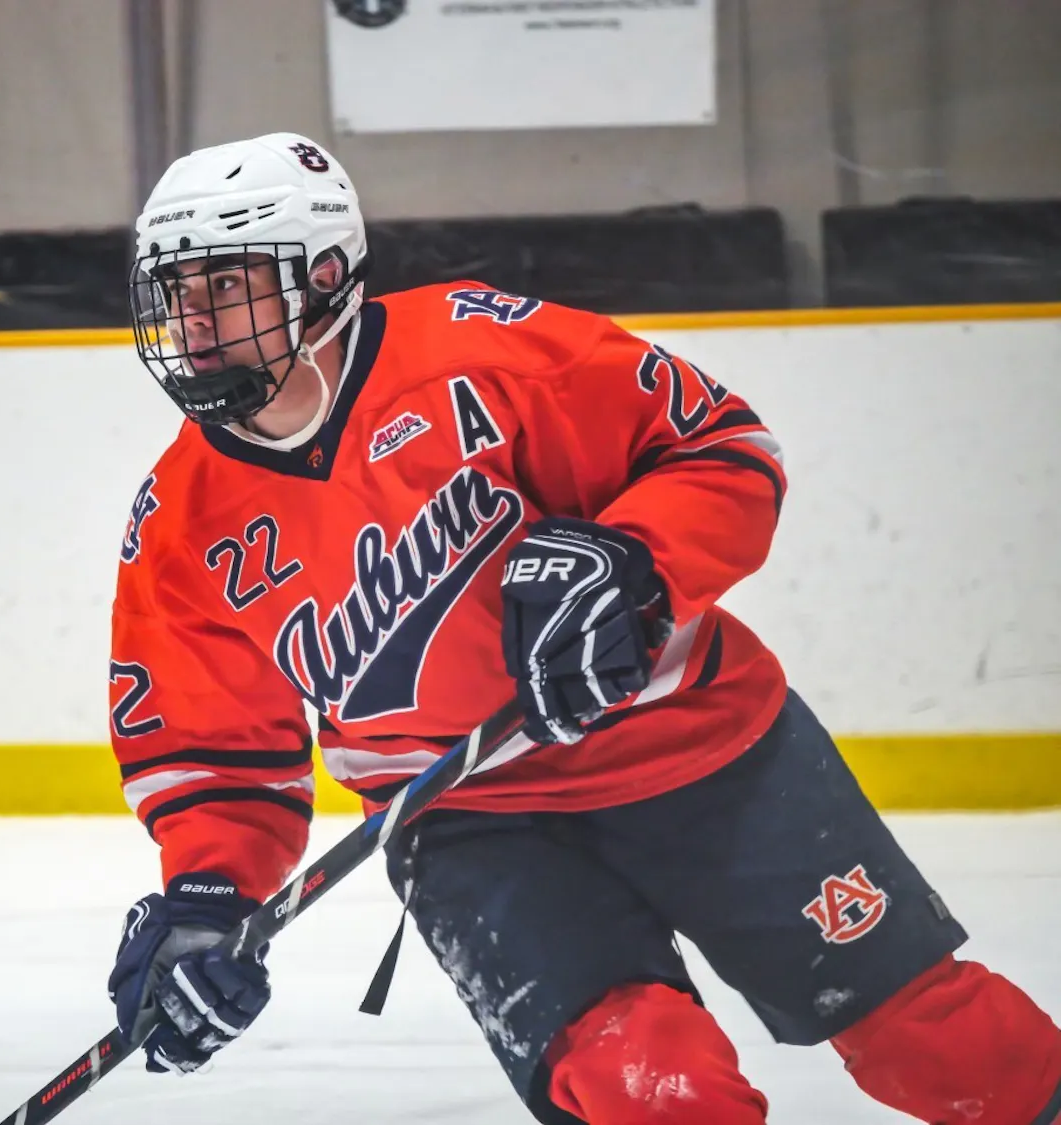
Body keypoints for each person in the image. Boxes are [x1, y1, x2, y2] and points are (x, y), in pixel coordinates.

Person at [103, 132, 1061, 1124]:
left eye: (226, 285)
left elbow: (725, 451)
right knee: (646, 1084)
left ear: (329, 275)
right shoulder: (180, 520)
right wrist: (208, 903)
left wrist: (637, 563)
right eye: (176, 292)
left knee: (942, 1045)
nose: (196, 322)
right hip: (473, 825)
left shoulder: (491, 354)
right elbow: (209, 751)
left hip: (705, 757)